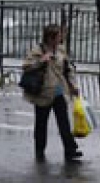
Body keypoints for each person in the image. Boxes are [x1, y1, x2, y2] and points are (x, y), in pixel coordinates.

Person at [22, 23, 82, 163]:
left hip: (59, 91)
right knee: (41, 123)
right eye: (58, 36)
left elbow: (68, 69)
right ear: (50, 38)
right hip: (43, 93)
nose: (60, 38)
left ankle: (70, 150)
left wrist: (73, 86)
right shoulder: (38, 50)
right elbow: (26, 66)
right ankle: (39, 150)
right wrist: (41, 61)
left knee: (64, 122)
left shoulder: (61, 50)